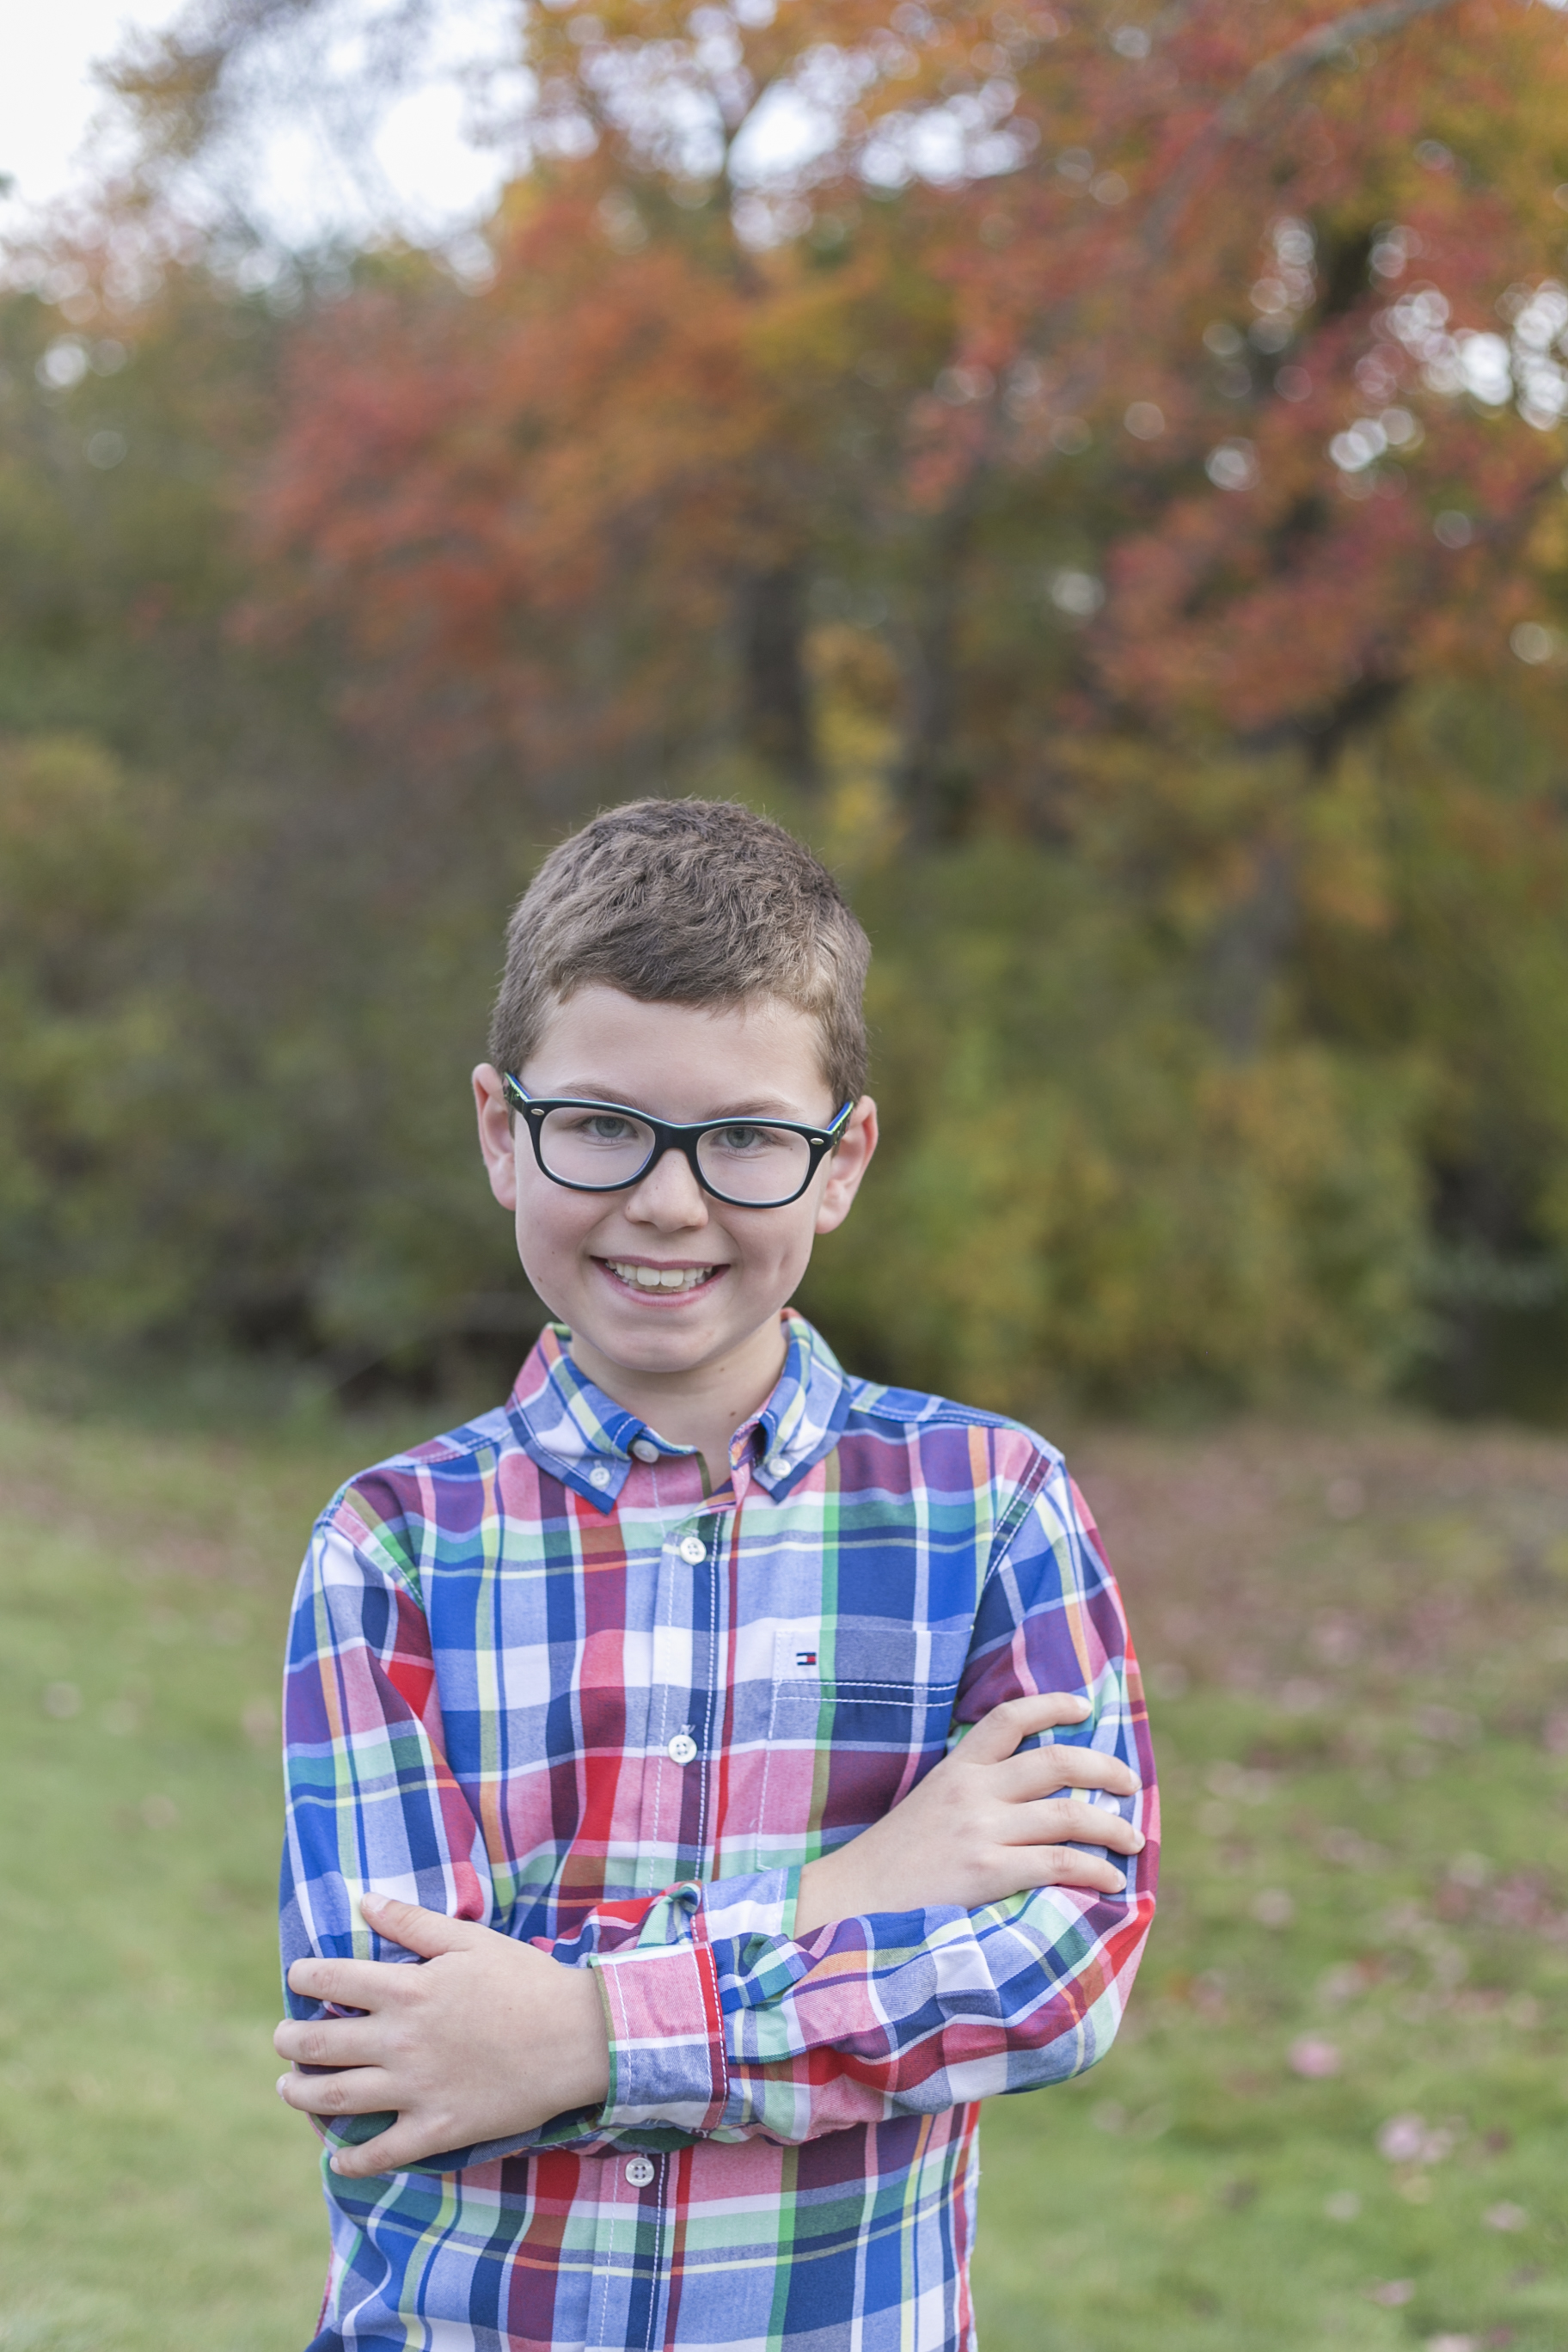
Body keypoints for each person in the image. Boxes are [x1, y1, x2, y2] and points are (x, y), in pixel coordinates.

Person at [274, 796, 1158, 2352]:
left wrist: (572, 2030)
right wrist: (852, 1892)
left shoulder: (993, 1510)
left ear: (840, 1161)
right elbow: (394, 2066)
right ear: (502, 1130)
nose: (670, 1201)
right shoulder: (393, 1546)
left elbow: (1057, 1977)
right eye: (604, 1124)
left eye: (746, 1136)